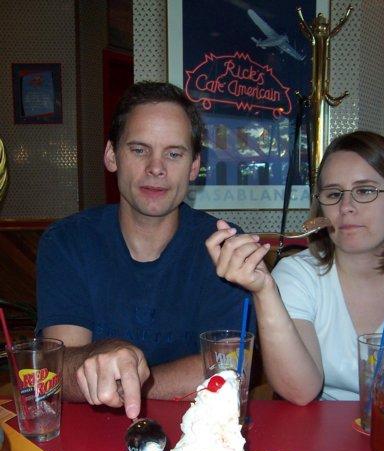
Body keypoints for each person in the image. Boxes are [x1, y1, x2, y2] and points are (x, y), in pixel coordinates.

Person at [36, 81, 251, 418]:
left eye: (174, 153)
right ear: (111, 156)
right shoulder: (66, 242)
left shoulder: (224, 245)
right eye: (139, 149)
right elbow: (60, 366)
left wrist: (134, 382)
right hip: (88, 433)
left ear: (194, 166)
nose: (156, 167)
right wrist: (111, 353)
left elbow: (227, 365)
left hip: (198, 433)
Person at [206, 130, 384, 403]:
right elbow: (300, 391)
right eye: (333, 194)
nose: (346, 207)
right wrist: (264, 290)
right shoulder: (298, 274)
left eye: (365, 191)